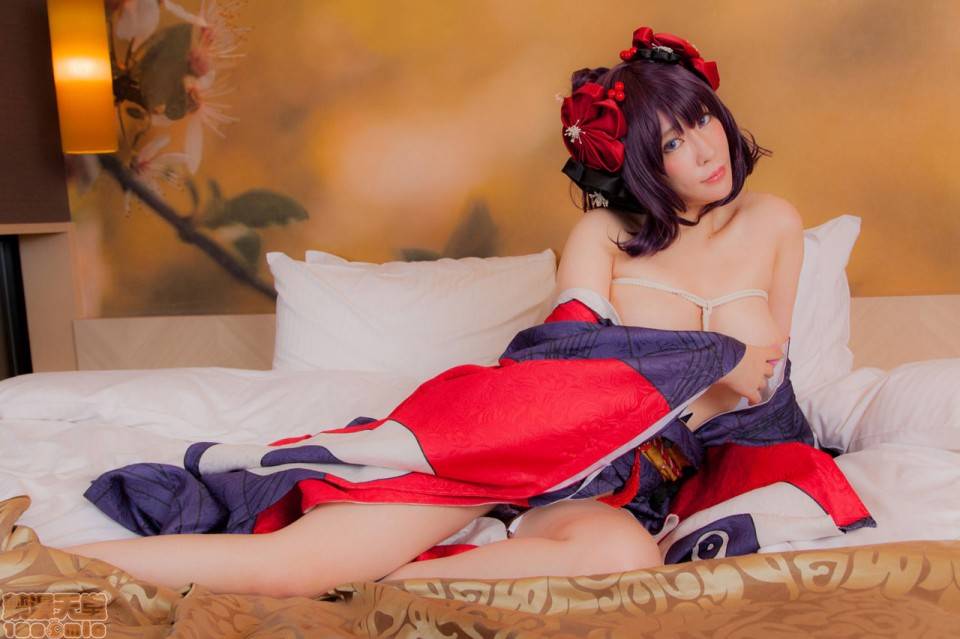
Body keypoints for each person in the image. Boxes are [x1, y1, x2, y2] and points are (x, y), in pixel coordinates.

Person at [60, 25, 798, 599]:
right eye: (672, 140)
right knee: (292, 565)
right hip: (519, 440)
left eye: (702, 118)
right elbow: (560, 357)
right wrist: (714, 355)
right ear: (638, 161)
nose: (706, 148)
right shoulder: (605, 233)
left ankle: (385, 581)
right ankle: (42, 570)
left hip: (619, 483)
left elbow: (770, 388)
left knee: (625, 557)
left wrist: (738, 390)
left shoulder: (774, 225)